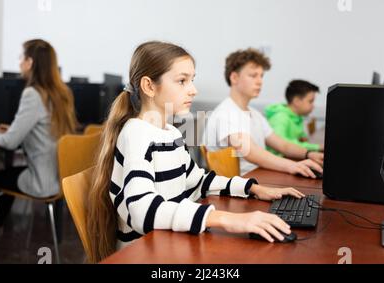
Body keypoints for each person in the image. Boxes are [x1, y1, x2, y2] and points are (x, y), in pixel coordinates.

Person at [87, 41, 305, 263]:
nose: (193, 89)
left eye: (192, 80)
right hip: (144, 252)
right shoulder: (137, 133)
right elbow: (141, 210)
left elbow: (198, 181)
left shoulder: (171, 132)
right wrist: (224, 219)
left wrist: (254, 188)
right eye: (182, 81)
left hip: (168, 243)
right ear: (149, 86)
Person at [0, 39, 77, 262]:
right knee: (3, 180)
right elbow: (44, 130)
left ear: (30, 62)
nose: (19, 62)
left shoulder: (33, 94)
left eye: (22, 57)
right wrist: (15, 129)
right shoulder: (60, 94)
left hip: (42, 182)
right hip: (58, 179)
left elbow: (10, 142)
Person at [203, 48, 323, 176]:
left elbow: (282, 145)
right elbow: (250, 151)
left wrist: (309, 154)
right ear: (234, 77)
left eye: (261, 76)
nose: (260, 81)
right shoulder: (226, 113)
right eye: (253, 75)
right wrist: (292, 165)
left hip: (259, 176)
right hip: (240, 186)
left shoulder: (255, 114)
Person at [265, 80, 323, 156]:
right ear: (297, 101)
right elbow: (282, 144)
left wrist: (304, 139)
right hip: (277, 161)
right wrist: (317, 147)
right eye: (310, 101)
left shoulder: (297, 116)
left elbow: (301, 138)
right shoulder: (280, 118)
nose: (313, 106)